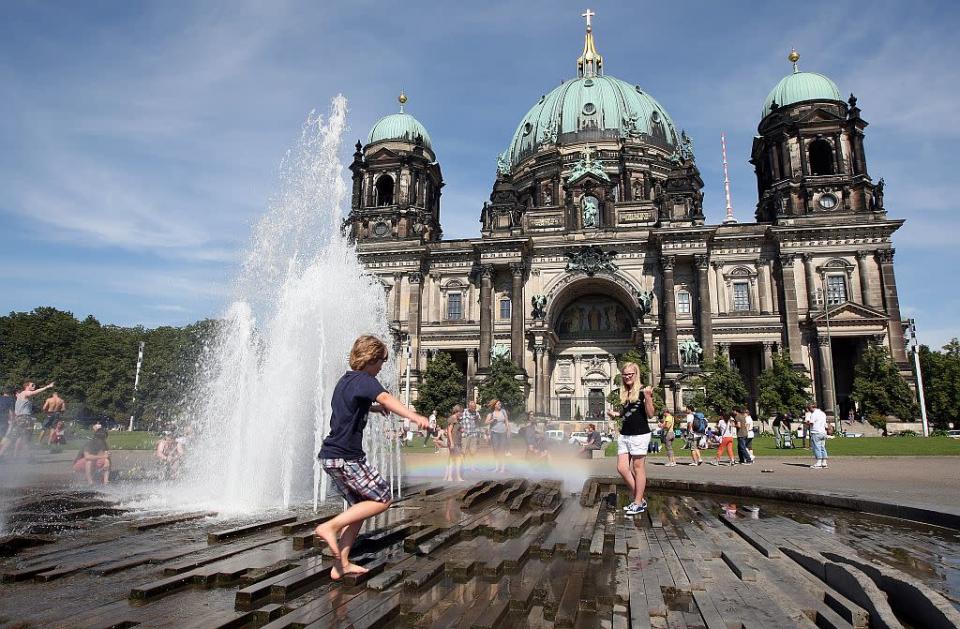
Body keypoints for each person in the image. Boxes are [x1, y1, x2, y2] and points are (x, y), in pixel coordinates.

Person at [315, 335, 430, 581]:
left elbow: (352, 406)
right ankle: (330, 527)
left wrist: (374, 409)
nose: (380, 369)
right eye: (380, 363)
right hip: (347, 457)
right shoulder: (365, 380)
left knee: (360, 508)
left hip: (331, 456)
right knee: (383, 498)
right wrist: (414, 417)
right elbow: (386, 397)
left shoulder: (345, 382)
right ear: (370, 359)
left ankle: (341, 564)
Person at [607, 362, 655, 515]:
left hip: (640, 434)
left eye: (630, 374)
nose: (627, 376)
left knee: (638, 468)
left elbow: (651, 414)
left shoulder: (643, 390)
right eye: (625, 374)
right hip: (625, 433)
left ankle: (638, 502)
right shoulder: (625, 392)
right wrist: (616, 415)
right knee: (621, 468)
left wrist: (648, 398)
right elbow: (628, 412)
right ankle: (639, 498)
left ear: (636, 374)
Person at [1, 381, 54, 458]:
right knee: (26, 439)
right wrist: (47, 387)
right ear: (26, 386)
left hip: (19, 419)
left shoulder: (20, 395)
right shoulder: (25, 393)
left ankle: (3, 455)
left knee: (15, 438)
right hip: (25, 419)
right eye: (32, 385)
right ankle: (29, 457)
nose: (34, 386)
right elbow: (35, 392)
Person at [485, 399, 510, 473]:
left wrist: (508, 430)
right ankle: (497, 467)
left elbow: (506, 421)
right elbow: (486, 422)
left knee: (502, 450)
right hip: (494, 433)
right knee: (496, 450)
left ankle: (502, 468)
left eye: (500, 404)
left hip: (503, 433)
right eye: (498, 404)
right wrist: (492, 420)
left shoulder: (503, 411)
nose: (500, 405)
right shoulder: (491, 413)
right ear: (494, 405)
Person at [444, 405, 465, 482]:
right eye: (461, 412)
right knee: (457, 459)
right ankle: (457, 477)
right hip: (454, 442)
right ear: (457, 411)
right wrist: (452, 443)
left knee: (452, 459)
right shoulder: (452, 419)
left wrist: (461, 429)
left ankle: (449, 477)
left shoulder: (457, 419)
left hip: (457, 442)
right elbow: (449, 431)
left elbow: (456, 429)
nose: (462, 414)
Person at [806, 403, 829, 469]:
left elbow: (811, 423)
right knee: (822, 447)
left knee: (816, 447)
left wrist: (806, 422)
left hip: (816, 432)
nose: (809, 410)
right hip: (823, 432)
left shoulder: (814, 414)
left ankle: (818, 462)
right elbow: (825, 423)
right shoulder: (822, 413)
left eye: (809, 408)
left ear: (811, 408)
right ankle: (824, 462)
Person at [461, 400, 482, 470]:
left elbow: (479, 423)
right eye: (472, 407)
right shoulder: (463, 412)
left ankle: (472, 467)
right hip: (465, 435)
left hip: (473, 434)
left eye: (475, 407)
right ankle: (462, 466)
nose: (474, 408)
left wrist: (477, 420)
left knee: (473, 451)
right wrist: (460, 428)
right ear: (469, 407)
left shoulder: (477, 413)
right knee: (463, 451)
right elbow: (457, 420)